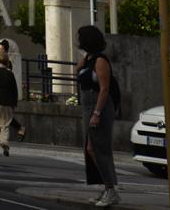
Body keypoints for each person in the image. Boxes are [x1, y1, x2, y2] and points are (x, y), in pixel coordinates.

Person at [76, 25, 120, 208]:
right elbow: (76, 72)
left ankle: (111, 190)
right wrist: (84, 57)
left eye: (80, 38)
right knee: (91, 148)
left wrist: (97, 113)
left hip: (99, 106)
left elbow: (104, 89)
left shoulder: (101, 61)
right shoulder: (89, 59)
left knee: (99, 148)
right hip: (88, 105)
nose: (77, 41)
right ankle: (107, 188)